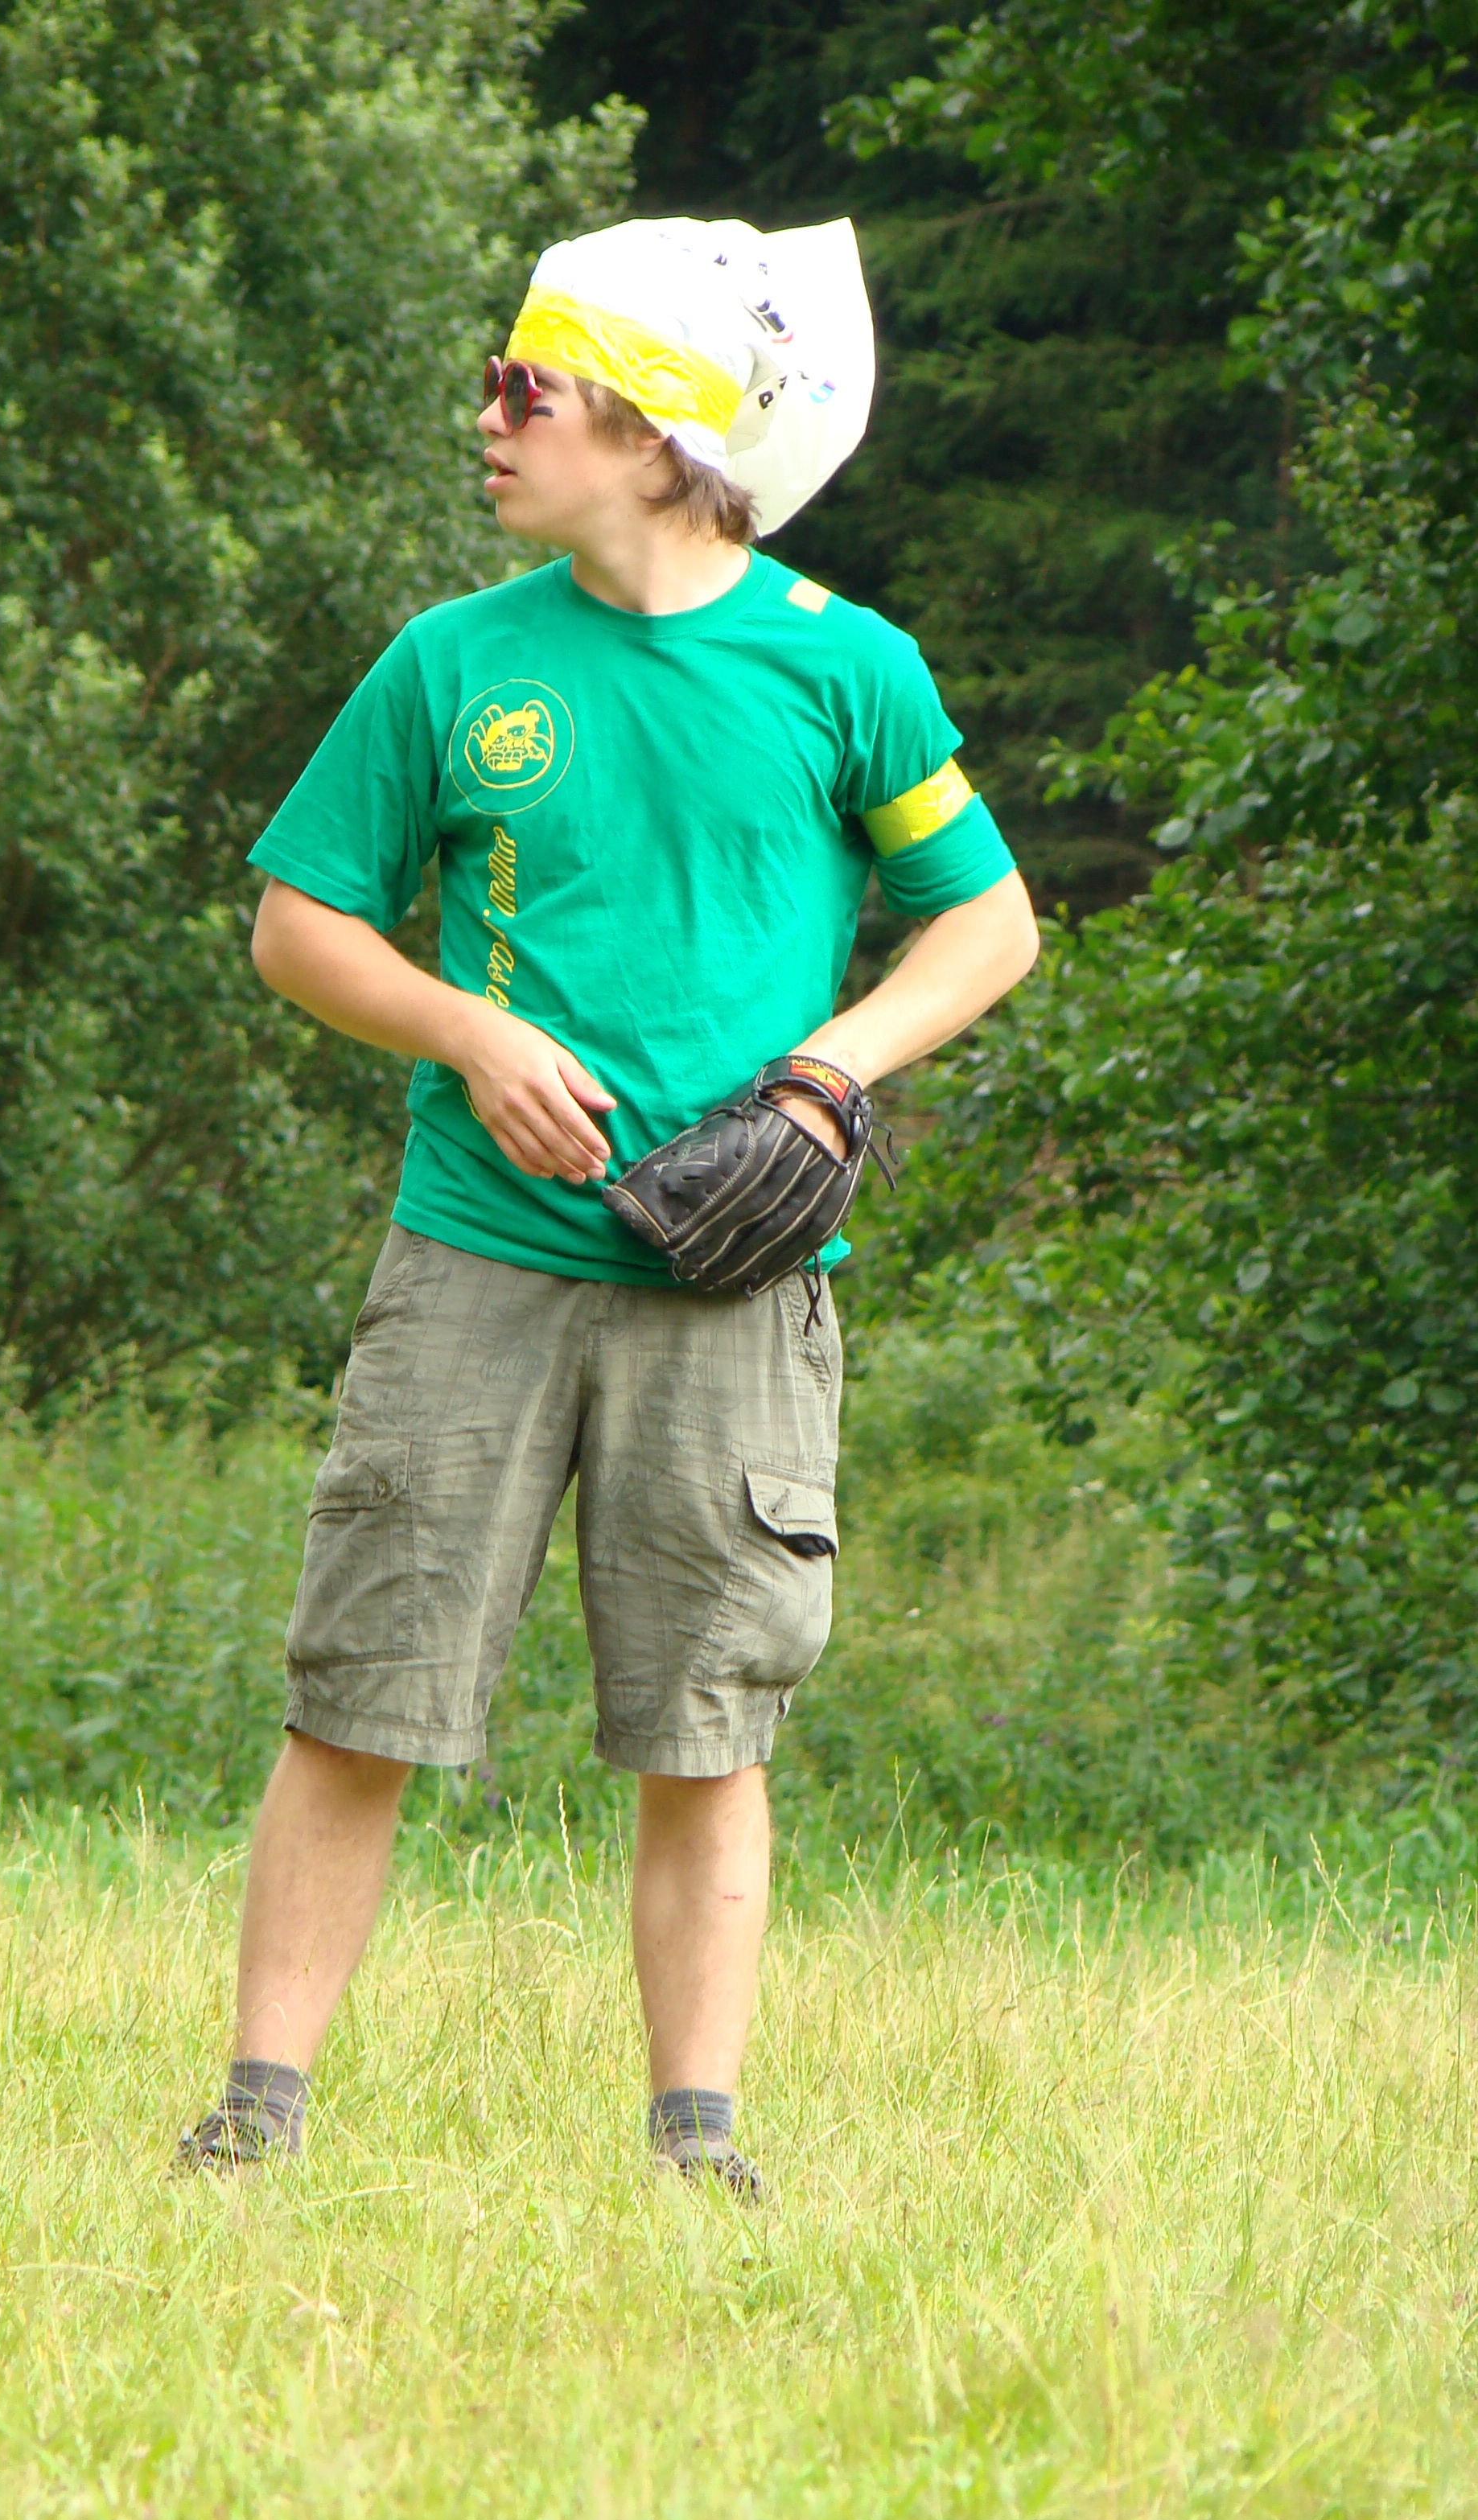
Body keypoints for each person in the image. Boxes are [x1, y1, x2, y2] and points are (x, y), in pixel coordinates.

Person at [179, 216, 1039, 2193]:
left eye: (527, 389)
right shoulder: (450, 662)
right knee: (361, 1701)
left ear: (654, 436)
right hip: (473, 1263)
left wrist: (830, 1074)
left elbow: (986, 925)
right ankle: (254, 2121)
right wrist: (466, 1033)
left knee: (706, 1728)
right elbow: (300, 927)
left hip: (738, 1285)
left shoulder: (847, 667)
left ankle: (694, 2150)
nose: (488, 417)